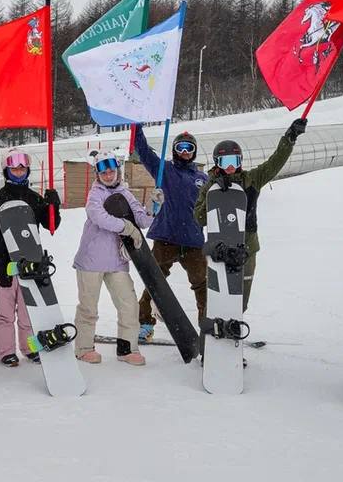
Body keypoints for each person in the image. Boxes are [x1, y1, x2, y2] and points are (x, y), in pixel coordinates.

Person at [192, 118, 307, 313]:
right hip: (219, 249)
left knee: (240, 301)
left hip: (247, 248)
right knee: (218, 298)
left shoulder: (252, 180)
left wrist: (290, 138)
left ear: (240, 162)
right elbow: (199, 218)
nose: (230, 167)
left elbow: (274, 163)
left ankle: (235, 322)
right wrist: (214, 192)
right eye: (225, 162)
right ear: (217, 163)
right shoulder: (209, 186)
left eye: (234, 161)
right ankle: (215, 324)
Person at [72, 149, 153, 365]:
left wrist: (153, 207)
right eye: (103, 172)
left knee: (129, 305)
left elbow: (142, 220)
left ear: (118, 171)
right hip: (91, 260)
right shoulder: (95, 194)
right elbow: (99, 217)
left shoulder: (125, 193)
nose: (108, 175)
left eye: (111, 171)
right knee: (88, 308)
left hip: (117, 261)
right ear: (98, 174)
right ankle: (84, 348)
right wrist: (127, 227)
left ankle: (127, 349)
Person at [0, 148, 61, 366]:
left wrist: (53, 205)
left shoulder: (33, 198)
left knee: (29, 311)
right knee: (5, 312)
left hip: (30, 263)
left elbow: (51, 225)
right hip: (4, 264)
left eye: (22, 168)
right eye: (14, 168)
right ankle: (6, 351)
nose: (19, 171)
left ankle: (29, 348)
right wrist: (1, 265)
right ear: (6, 171)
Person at [130, 128, 208, 342]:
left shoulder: (202, 178)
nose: (185, 152)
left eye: (189, 148)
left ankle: (207, 326)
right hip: (166, 238)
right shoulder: (164, 170)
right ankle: (144, 323)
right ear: (174, 150)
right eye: (180, 147)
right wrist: (137, 128)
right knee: (154, 281)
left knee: (202, 285)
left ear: (194, 151)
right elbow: (144, 152)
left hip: (193, 241)